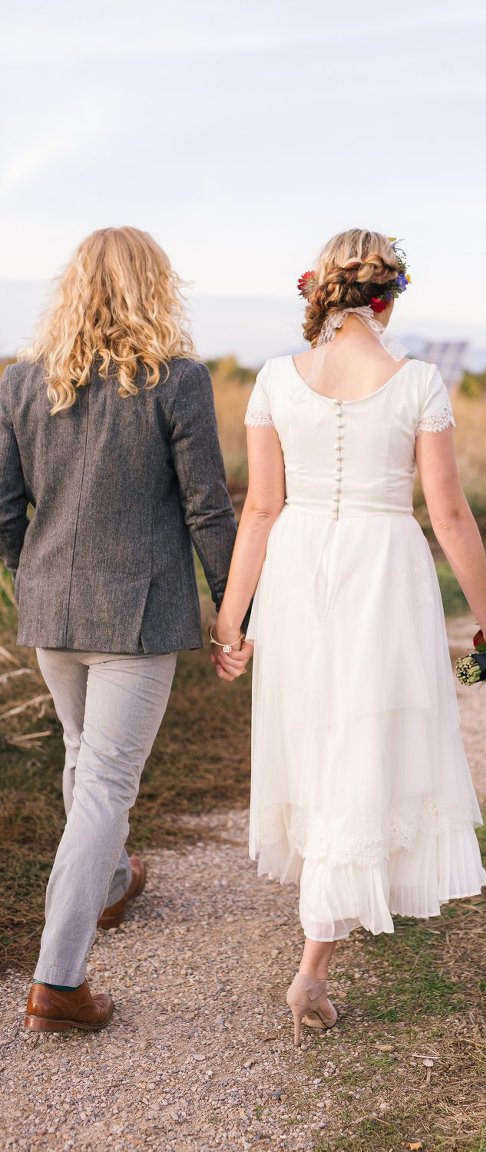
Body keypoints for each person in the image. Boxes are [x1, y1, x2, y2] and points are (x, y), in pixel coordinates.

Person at [210, 228, 486, 1045]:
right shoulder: (419, 382)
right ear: (388, 297)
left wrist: (231, 617)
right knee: (364, 735)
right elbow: (449, 514)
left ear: (322, 291)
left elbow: (259, 509)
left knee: (322, 735)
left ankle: (329, 921)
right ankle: (313, 966)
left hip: (297, 564)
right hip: (383, 565)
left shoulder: (273, 382)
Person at [0, 226, 248, 1033]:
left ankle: (105, 884)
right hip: (135, 615)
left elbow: (5, 511)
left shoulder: (23, 383)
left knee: (85, 758)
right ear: (156, 287)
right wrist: (235, 608)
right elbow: (209, 505)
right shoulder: (177, 380)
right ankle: (57, 983)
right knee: (105, 780)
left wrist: (30, 576)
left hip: (51, 612)